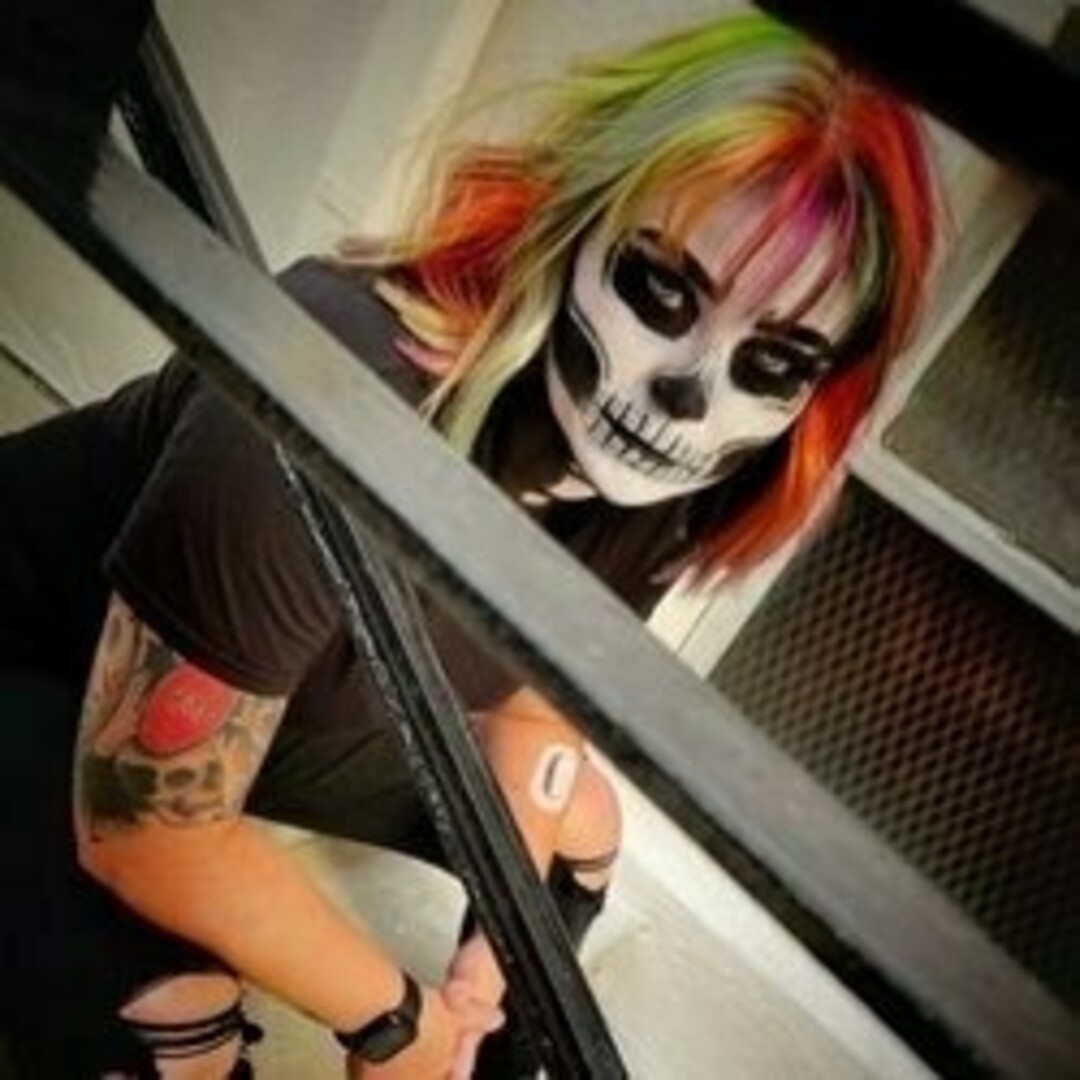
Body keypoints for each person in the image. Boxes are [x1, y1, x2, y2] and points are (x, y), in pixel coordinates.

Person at [0, 12, 939, 1079]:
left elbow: (536, 709)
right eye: (662, 293)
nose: (687, 394)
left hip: (286, 708)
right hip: (46, 656)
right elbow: (144, 828)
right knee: (180, 1034)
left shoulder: (679, 473)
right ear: (575, 219)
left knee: (577, 824)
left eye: (772, 362)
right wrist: (391, 1018)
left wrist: (495, 959)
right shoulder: (328, 381)